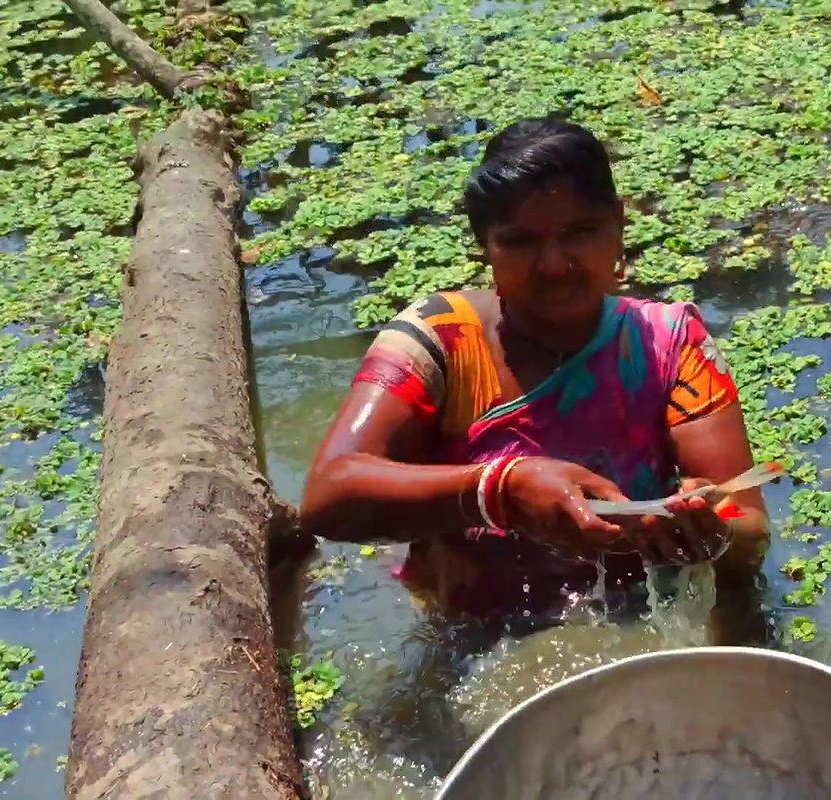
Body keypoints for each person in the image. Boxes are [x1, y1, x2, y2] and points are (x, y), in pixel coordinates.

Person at [300, 117, 771, 644]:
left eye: (580, 233)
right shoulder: (440, 342)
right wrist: (500, 489)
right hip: (471, 637)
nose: (553, 265)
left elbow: (749, 525)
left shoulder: (669, 345)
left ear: (618, 226)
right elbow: (328, 496)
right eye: (520, 242)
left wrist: (711, 528)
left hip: (636, 622)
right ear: (485, 246)